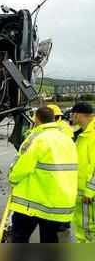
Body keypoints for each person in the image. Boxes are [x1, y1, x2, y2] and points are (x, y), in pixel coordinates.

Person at [8, 106, 78, 243]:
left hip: (32, 204)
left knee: (20, 239)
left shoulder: (37, 139)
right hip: (58, 204)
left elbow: (20, 168)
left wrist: (12, 179)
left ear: (37, 119)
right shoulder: (68, 140)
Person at [71, 102, 95, 243]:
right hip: (83, 193)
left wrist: (90, 191)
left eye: (73, 114)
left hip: (88, 194)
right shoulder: (84, 133)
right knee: (83, 228)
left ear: (78, 114)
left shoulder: (91, 135)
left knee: (88, 229)